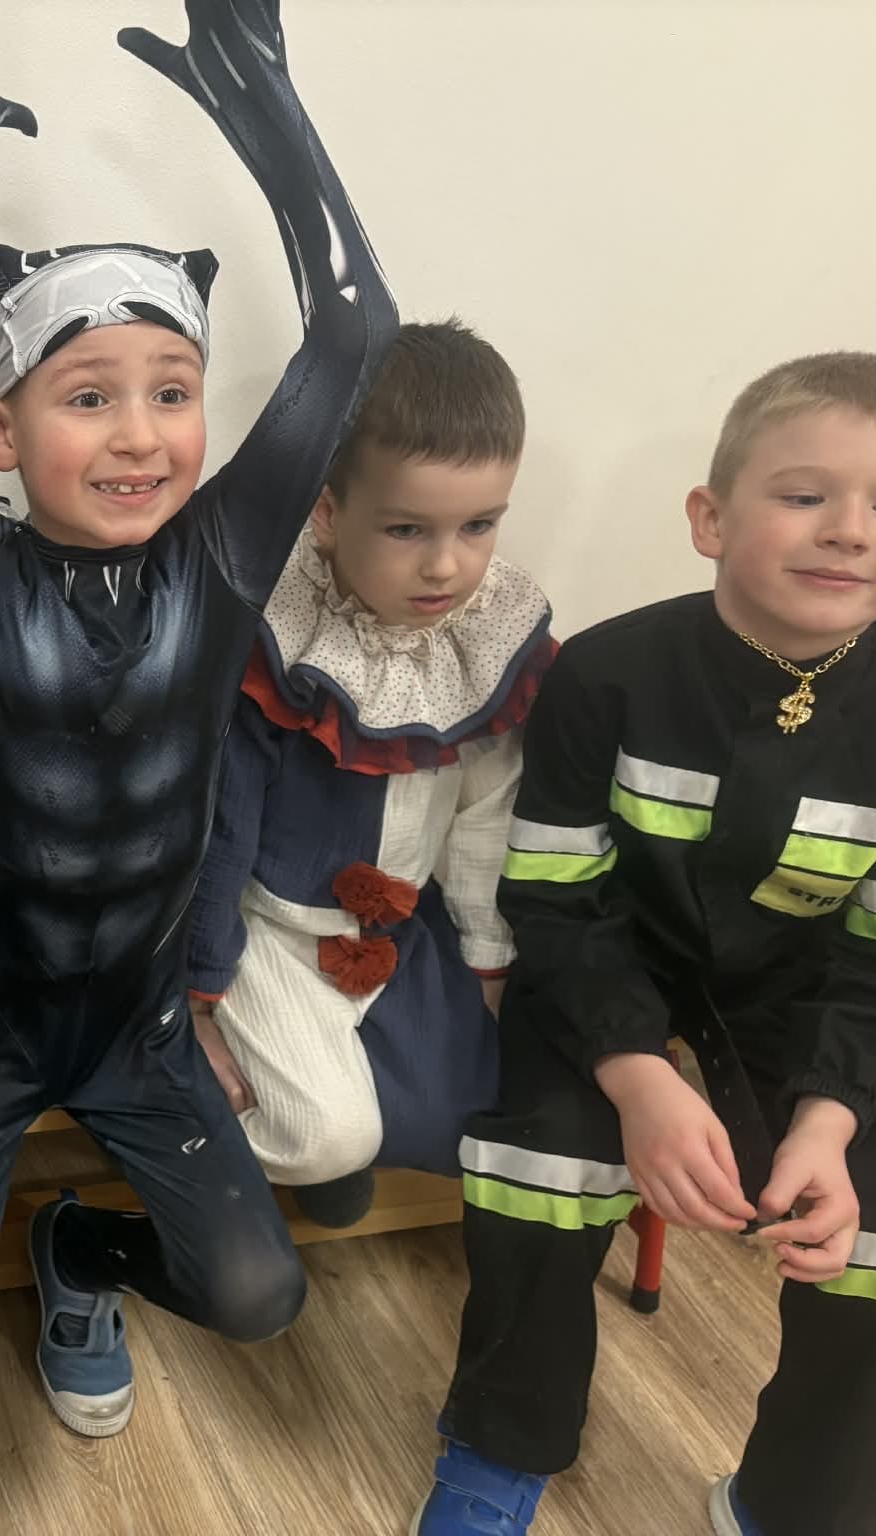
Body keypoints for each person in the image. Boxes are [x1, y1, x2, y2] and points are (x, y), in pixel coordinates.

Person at [0, 0, 397, 1437]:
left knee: (259, 1293)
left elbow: (355, 329)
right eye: (88, 397)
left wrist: (268, 104)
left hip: (137, 1023)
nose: (139, 434)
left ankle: (77, 1250)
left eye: (171, 393)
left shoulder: (220, 561)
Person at [415, 352, 876, 1536]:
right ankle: (497, 1447)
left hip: (805, 1006)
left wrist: (826, 1121)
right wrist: (636, 1078)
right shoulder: (605, 671)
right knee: (543, 1164)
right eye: (805, 495)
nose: (849, 530)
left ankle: (793, 1500)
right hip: (601, 978)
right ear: (708, 519)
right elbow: (555, 899)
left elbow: (871, 969)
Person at [185, 320, 551, 1229]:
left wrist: (488, 966)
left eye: (479, 525)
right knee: (324, 1138)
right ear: (326, 512)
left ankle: (339, 1125)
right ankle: (268, 1127)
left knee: (471, 1108)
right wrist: (196, 997)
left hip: (397, 932)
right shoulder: (279, 645)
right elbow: (221, 835)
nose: (447, 564)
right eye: (406, 529)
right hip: (272, 931)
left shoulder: (487, 639)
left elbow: (484, 815)